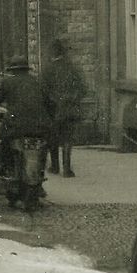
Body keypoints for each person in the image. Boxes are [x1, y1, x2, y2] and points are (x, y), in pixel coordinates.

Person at [0, 55, 54, 178]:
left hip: (16, 126)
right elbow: (50, 104)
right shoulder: (37, 82)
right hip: (39, 126)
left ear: (13, 70)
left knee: (5, 146)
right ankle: (39, 175)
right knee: (41, 149)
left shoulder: (8, 82)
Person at [41, 38, 86, 177]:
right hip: (70, 108)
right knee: (68, 138)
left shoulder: (47, 69)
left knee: (53, 138)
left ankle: (55, 167)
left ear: (52, 53)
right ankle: (67, 169)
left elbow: (43, 91)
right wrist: (73, 99)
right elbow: (83, 89)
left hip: (53, 110)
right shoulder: (73, 68)